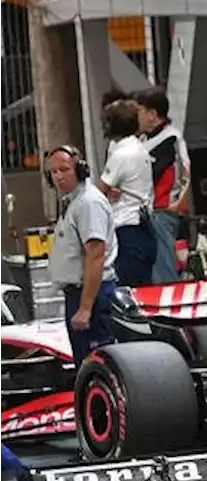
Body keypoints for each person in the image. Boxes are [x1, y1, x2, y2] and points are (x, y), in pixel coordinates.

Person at [45, 146, 118, 364]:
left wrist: (85, 308)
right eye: (54, 171)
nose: (59, 176)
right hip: (79, 294)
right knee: (84, 365)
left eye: (64, 169)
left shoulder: (88, 203)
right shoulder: (73, 203)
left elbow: (95, 255)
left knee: (96, 365)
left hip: (91, 296)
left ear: (80, 170)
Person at [134, 87, 190, 284]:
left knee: (163, 270)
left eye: (139, 111)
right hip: (151, 211)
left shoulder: (169, 139)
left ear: (152, 114)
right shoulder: (145, 139)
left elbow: (147, 174)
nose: (136, 117)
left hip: (163, 211)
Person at [97, 99, 155, 287]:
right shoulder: (137, 148)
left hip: (128, 233)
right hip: (142, 230)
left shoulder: (122, 155)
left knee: (128, 294)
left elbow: (99, 193)